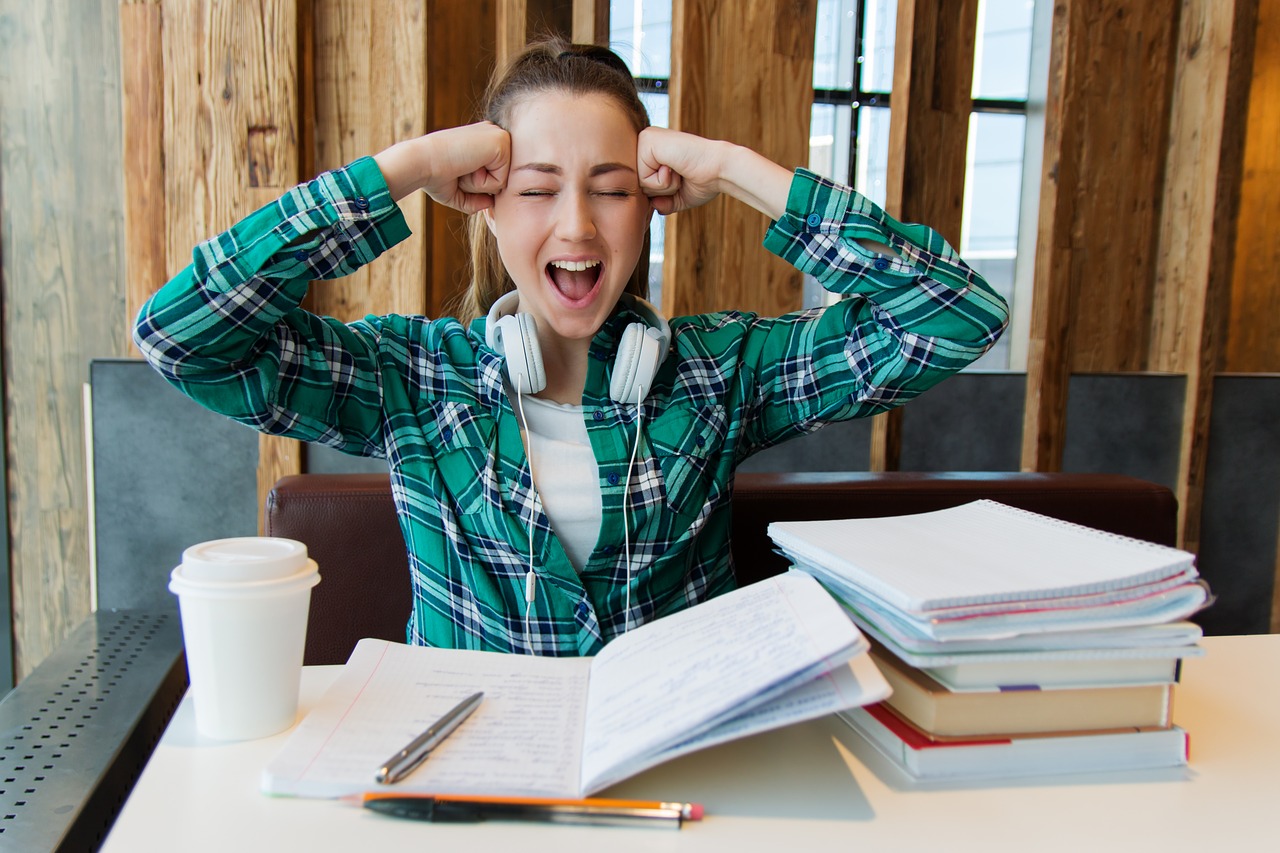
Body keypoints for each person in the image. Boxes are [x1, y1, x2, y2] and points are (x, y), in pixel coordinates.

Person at [135, 39, 1009, 656]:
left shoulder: (718, 373)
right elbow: (186, 336)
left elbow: (956, 314)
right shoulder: (414, 380)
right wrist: (402, 170)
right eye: (538, 188)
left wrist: (738, 167)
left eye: (612, 189)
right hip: (476, 786)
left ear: (655, 204)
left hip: (681, 787)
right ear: (483, 202)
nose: (578, 224)